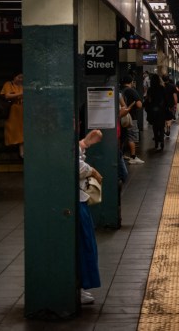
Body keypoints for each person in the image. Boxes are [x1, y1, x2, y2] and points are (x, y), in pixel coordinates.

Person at [78, 128, 103, 305]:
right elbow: (75, 165)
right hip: (75, 202)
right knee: (83, 244)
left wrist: (84, 144)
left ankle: (80, 286)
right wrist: (92, 170)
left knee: (85, 244)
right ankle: (78, 286)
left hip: (78, 200)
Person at [119, 76, 144, 165]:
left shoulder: (119, 90)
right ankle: (133, 157)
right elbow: (139, 105)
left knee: (122, 137)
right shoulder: (132, 90)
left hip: (120, 117)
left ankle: (121, 155)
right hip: (130, 117)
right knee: (131, 137)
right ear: (131, 82)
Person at [0, 72, 24, 158]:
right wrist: (21, 94)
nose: (20, 79)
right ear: (14, 77)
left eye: (22, 78)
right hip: (13, 110)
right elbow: (7, 95)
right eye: (19, 77)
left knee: (22, 130)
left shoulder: (22, 86)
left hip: (22, 109)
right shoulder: (8, 84)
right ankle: (13, 148)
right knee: (12, 128)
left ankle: (22, 151)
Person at [143, 73, 167, 150]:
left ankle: (156, 143)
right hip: (161, 111)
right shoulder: (162, 88)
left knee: (155, 127)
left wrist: (144, 105)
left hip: (153, 111)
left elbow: (148, 99)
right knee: (161, 127)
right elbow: (165, 99)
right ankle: (162, 141)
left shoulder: (150, 89)